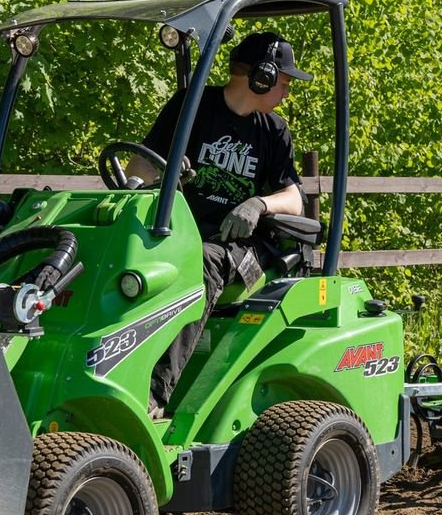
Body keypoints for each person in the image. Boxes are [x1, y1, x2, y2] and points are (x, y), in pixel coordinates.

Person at [126, 31, 309, 413]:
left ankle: (154, 396)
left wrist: (258, 204)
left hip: (242, 249)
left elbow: (294, 199)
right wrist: (161, 176)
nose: (287, 91)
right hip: (178, 233)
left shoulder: (274, 131)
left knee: (202, 260)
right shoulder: (191, 106)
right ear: (262, 76)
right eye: (284, 82)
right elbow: (138, 169)